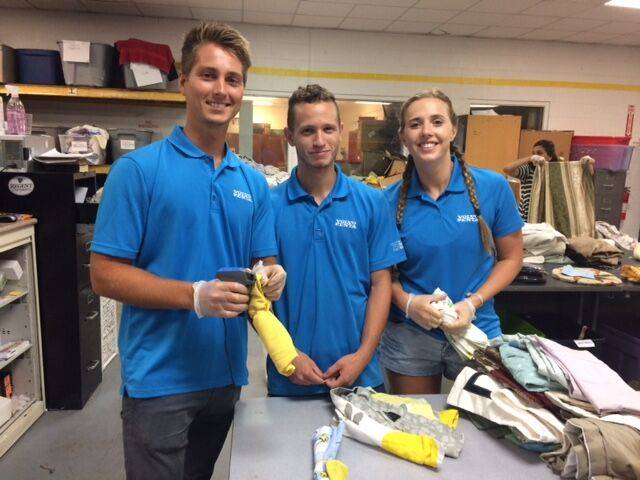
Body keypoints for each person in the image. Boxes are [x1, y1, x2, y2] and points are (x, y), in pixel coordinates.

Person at [89, 22, 286, 480]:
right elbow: (105, 275)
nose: (221, 90)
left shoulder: (252, 183)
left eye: (233, 79)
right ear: (184, 81)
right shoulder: (137, 171)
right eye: (208, 75)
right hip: (159, 381)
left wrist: (273, 276)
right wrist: (195, 296)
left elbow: (264, 260)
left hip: (225, 376)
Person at [378, 89, 523, 394]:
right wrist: (408, 304)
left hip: (476, 327)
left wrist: (472, 303)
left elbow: (511, 259)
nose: (426, 132)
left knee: (485, 427)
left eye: (437, 121)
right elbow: (381, 275)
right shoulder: (387, 202)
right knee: (417, 424)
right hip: (411, 334)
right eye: (415, 124)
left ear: (453, 130)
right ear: (404, 136)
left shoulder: (493, 188)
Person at [268, 84, 406, 396]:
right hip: (291, 379)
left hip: (362, 376)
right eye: (308, 131)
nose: (319, 141)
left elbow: (381, 284)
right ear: (289, 136)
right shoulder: (269, 206)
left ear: (340, 131)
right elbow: (258, 296)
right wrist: (287, 357)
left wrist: (363, 356)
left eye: (328, 129)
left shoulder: (371, 202)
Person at [503, 139, 559, 220]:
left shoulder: (555, 172)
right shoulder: (528, 170)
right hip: (528, 217)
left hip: (549, 217)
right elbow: (507, 169)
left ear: (550, 156)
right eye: (533, 153)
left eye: (539, 153)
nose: (536, 156)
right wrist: (529, 158)